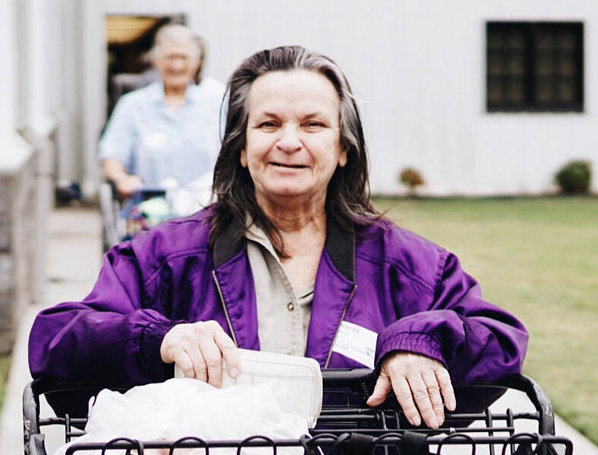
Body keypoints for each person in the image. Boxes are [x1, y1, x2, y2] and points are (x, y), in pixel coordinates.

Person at [30, 45, 528, 430]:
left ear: (343, 150)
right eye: (268, 124)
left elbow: (500, 339)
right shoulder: (164, 257)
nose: (289, 141)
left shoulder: (408, 265)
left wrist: (421, 340)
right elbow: (56, 341)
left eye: (313, 124)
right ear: (242, 149)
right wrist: (160, 338)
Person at [99, 24, 224, 198]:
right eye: (170, 57)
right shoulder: (132, 105)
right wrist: (122, 179)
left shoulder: (218, 103)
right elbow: (112, 154)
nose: (177, 65)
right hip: (150, 212)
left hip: (206, 211)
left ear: (197, 62)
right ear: (156, 61)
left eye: (184, 57)